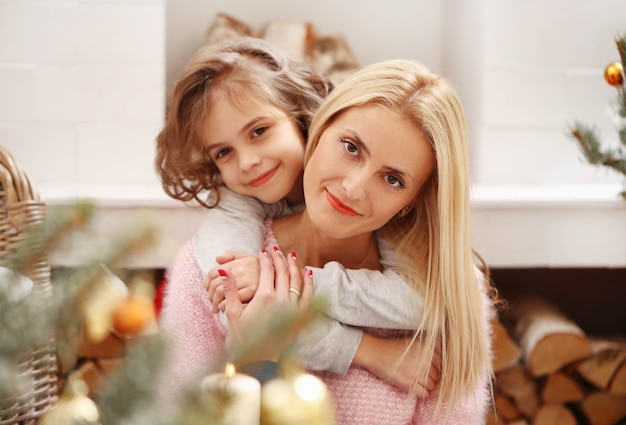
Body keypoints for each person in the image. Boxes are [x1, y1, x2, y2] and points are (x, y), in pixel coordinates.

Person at [163, 57, 496, 425]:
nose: (353, 188)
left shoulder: (451, 297)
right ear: (318, 130)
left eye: (393, 180)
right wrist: (256, 359)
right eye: (351, 147)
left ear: (410, 202)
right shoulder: (211, 271)